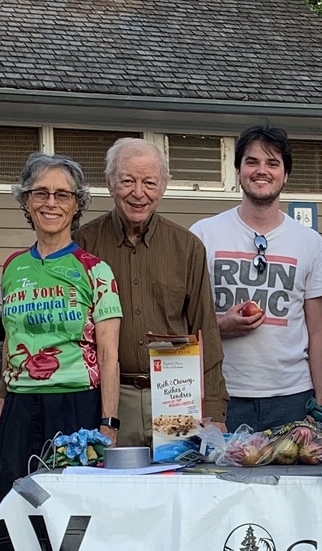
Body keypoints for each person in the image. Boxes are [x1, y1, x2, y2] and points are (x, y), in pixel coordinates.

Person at [0, 153, 123, 527]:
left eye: (63, 195)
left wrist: (109, 422)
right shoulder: (13, 267)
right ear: (26, 201)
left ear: (77, 205)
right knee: (5, 510)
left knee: (70, 515)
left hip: (77, 405)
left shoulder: (95, 270)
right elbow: (13, 340)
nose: (51, 203)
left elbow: (109, 354)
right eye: (40, 193)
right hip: (21, 406)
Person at [75, 137, 226, 446]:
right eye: (128, 181)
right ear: (109, 183)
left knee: (176, 486)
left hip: (176, 393)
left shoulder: (187, 248)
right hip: (110, 397)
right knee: (115, 488)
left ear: (164, 187)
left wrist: (215, 409)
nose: (139, 193)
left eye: (149, 182)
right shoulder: (83, 245)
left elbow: (205, 330)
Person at [193, 125, 322, 430]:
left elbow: (319, 330)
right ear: (239, 170)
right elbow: (184, 323)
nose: (262, 171)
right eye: (252, 162)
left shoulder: (309, 243)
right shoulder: (203, 235)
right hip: (220, 394)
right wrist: (220, 325)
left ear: (286, 175)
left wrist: (319, 404)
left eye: (273, 163)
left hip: (292, 397)